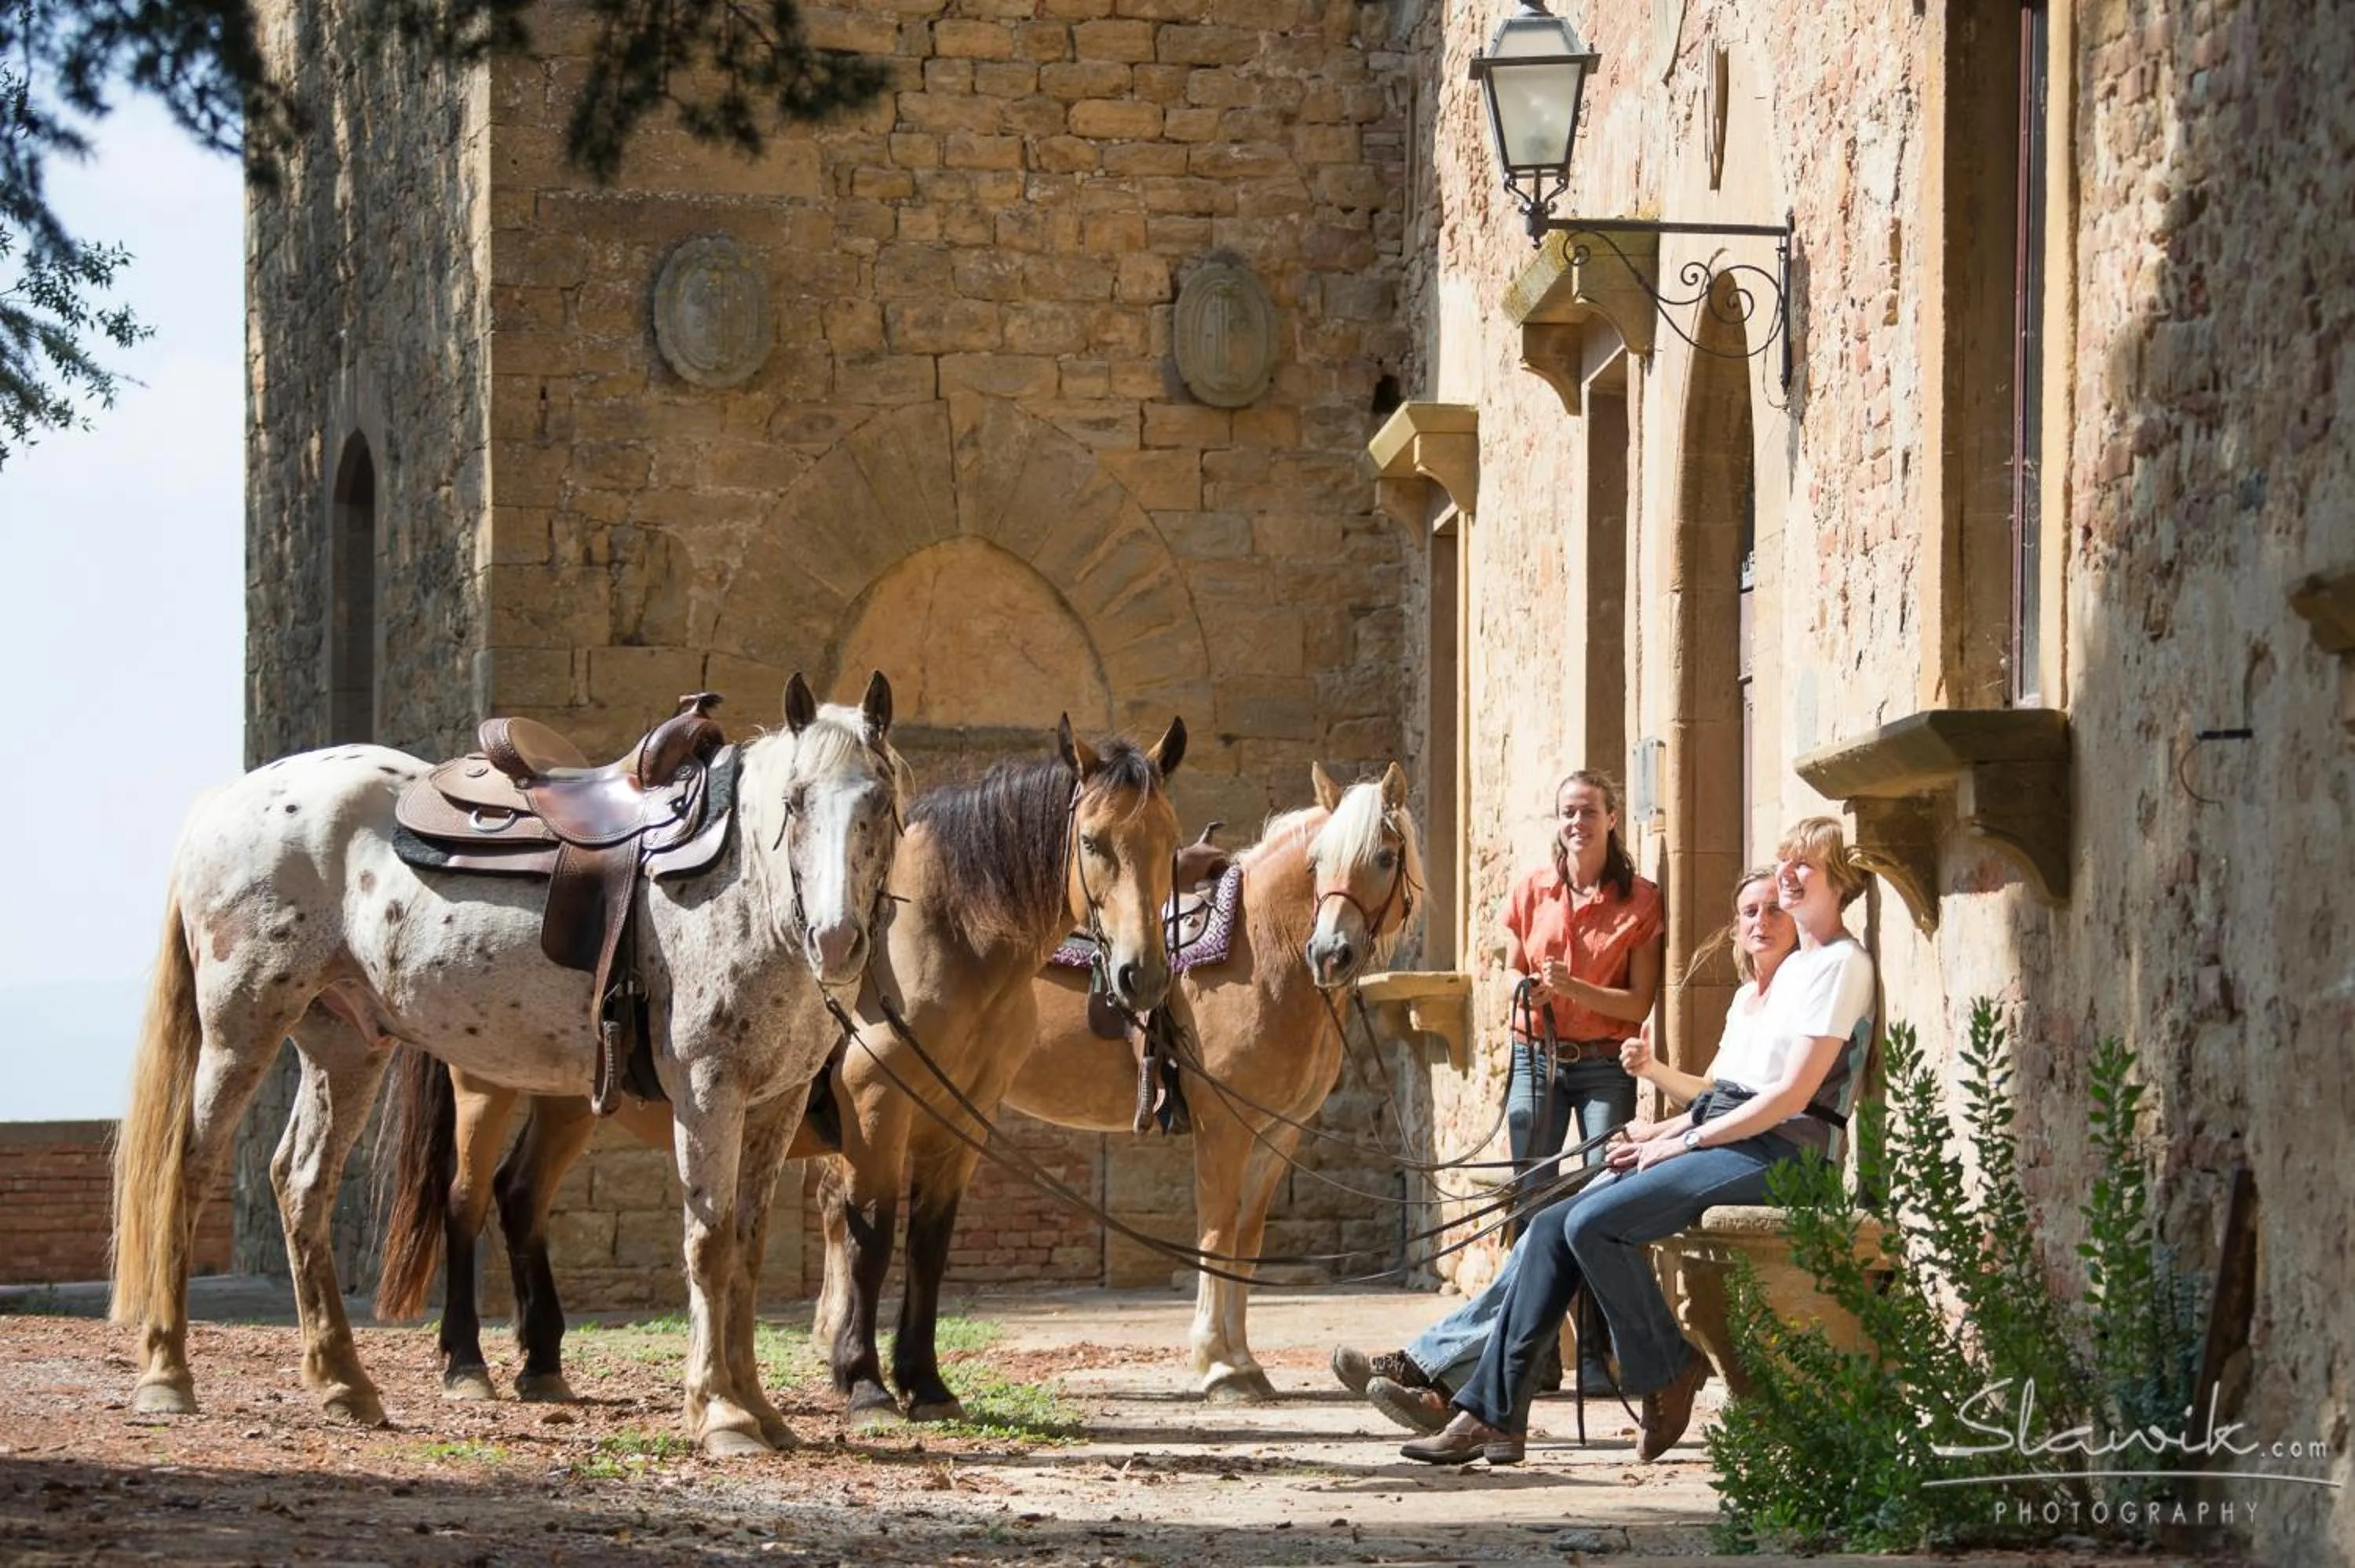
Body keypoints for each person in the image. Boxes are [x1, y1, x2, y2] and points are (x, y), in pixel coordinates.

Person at [1395, 818, 1875, 1468]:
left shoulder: (1843, 965)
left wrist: (1685, 1142)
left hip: (1784, 1155)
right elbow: (1728, 1091)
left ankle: (1668, 1368)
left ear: (1838, 881)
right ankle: (1491, 1414)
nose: (1787, 874)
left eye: (1803, 865)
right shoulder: (1795, 969)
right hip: (1734, 1138)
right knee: (1549, 1225)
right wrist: (1659, 1131)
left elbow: (1790, 1098)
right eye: (1782, 860)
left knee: (1594, 1223)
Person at [1331, 865, 1796, 1431]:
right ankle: (1461, 1393)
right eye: (1750, 911)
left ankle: (1446, 1379)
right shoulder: (1747, 998)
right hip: (1671, 1128)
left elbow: (1761, 1103)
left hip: (1728, 1150)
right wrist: (1656, 1092)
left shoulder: (1805, 986)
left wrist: (1677, 1136)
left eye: (1774, 908)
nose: (1761, 921)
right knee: (1548, 1223)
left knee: (1576, 1225)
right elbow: (1713, 1095)